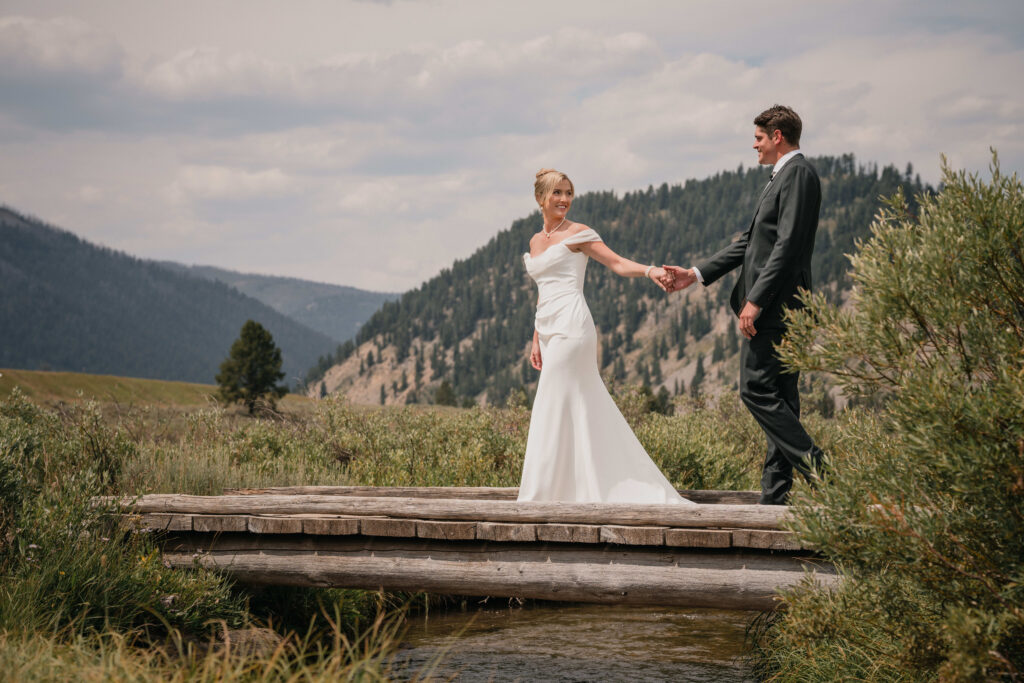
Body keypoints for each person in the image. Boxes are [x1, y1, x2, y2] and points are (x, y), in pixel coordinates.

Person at [664, 105, 826, 505]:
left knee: (754, 389)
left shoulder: (798, 174)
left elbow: (787, 247)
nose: (753, 145)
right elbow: (751, 243)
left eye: (758, 138)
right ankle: (775, 496)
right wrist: (696, 273)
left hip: (778, 308)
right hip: (781, 306)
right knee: (782, 400)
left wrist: (755, 300)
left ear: (777, 136)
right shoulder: (782, 177)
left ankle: (823, 472)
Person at [518, 168, 694, 505]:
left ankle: (546, 494)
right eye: (557, 193)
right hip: (550, 329)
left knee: (552, 398)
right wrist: (536, 336)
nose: (565, 200)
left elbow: (615, 263)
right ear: (541, 198)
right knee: (567, 401)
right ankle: (566, 489)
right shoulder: (536, 241)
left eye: (568, 193)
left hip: (573, 326)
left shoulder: (579, 234)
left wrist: (650, 270)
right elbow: (543, 292)